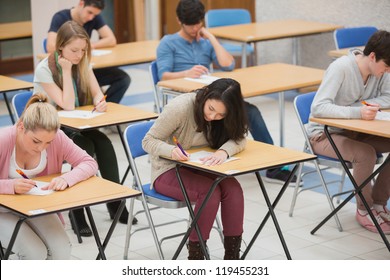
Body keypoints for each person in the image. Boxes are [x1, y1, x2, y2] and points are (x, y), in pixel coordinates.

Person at [156, 0, 298, 186]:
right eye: (190, 25)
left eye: (198, 24)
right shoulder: (168, 43)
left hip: (210, 96)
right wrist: (185, 73)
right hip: (185, 98)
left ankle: (274, 168)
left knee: (250, 111)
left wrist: (211, 37)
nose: (194, 29)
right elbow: (162, 76)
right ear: (179, 21)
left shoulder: (205, 42)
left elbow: (228, 64)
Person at [33, 20, 135, 238]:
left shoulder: (83, 62)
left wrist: (101, 101)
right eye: (74, 50)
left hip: (77, 124)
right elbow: (67, 104)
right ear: (60, 47)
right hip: (50, 129)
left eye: (83, 50)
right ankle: (77, 212)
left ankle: (115, 204)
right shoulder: (44, 69)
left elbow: (97, 92)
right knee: (85, 145)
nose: (79, 55)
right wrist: (68, 72)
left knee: (105, 144)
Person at [143, 78, 247, 260]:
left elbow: (240, 138)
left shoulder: (226, 113)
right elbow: (148, 141)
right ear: (205, 96)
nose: (213, 117)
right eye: (211, 110)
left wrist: (224, 151)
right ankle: (196, 256)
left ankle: (232, 257)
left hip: (200, 165)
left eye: (220, 115)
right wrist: (171, 151)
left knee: (233, 188)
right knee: (210, 192)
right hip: (168, 168)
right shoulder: (180, 108)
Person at [307, 30, 390, 234]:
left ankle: (379, 204)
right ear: (372, 56)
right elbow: (318, 107)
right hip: (324, 135)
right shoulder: (341, 68)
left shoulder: (379, 71)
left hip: (355, 131)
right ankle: (364, 209)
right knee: (365, 154)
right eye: (386, 66)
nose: (388, 71)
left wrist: (366, 106)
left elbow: (388, 97)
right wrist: (357, 112)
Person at [0, 93, 98, 259]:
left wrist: (66, 179)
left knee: (62, 250)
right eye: (36, 141)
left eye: (48, 143)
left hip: (35, 206)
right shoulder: (3, 140)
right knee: (34, 253)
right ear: (21, 127)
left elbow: (89, 163)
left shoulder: (57, 137)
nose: (41, 148)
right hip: (2, 211)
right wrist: (10, 186)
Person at [46, 0, 130, 105]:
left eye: (94, 15)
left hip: (84, 65)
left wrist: (88, 47)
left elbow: (111, 39)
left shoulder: (93, 17)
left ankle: (101, 105)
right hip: (66, 68)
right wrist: (71, 50)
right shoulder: (60, 17)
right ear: (81, 3)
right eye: (89, 12)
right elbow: (50, 46)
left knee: (123, 78)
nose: (91, 17)